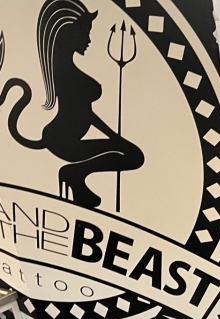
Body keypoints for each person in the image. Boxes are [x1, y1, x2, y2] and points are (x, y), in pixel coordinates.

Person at [0, 0, 144, 209]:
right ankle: (75, 174)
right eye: (86, 32)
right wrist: (115, 138)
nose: (89, 39)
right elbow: (85, 114)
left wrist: (114, 137)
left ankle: (77, 177)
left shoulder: (65, 70)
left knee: (133, 155)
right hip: (64, 140)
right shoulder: (67, 73)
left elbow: (86, 114)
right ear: (69, 33)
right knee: (134, 156)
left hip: (60, 137)